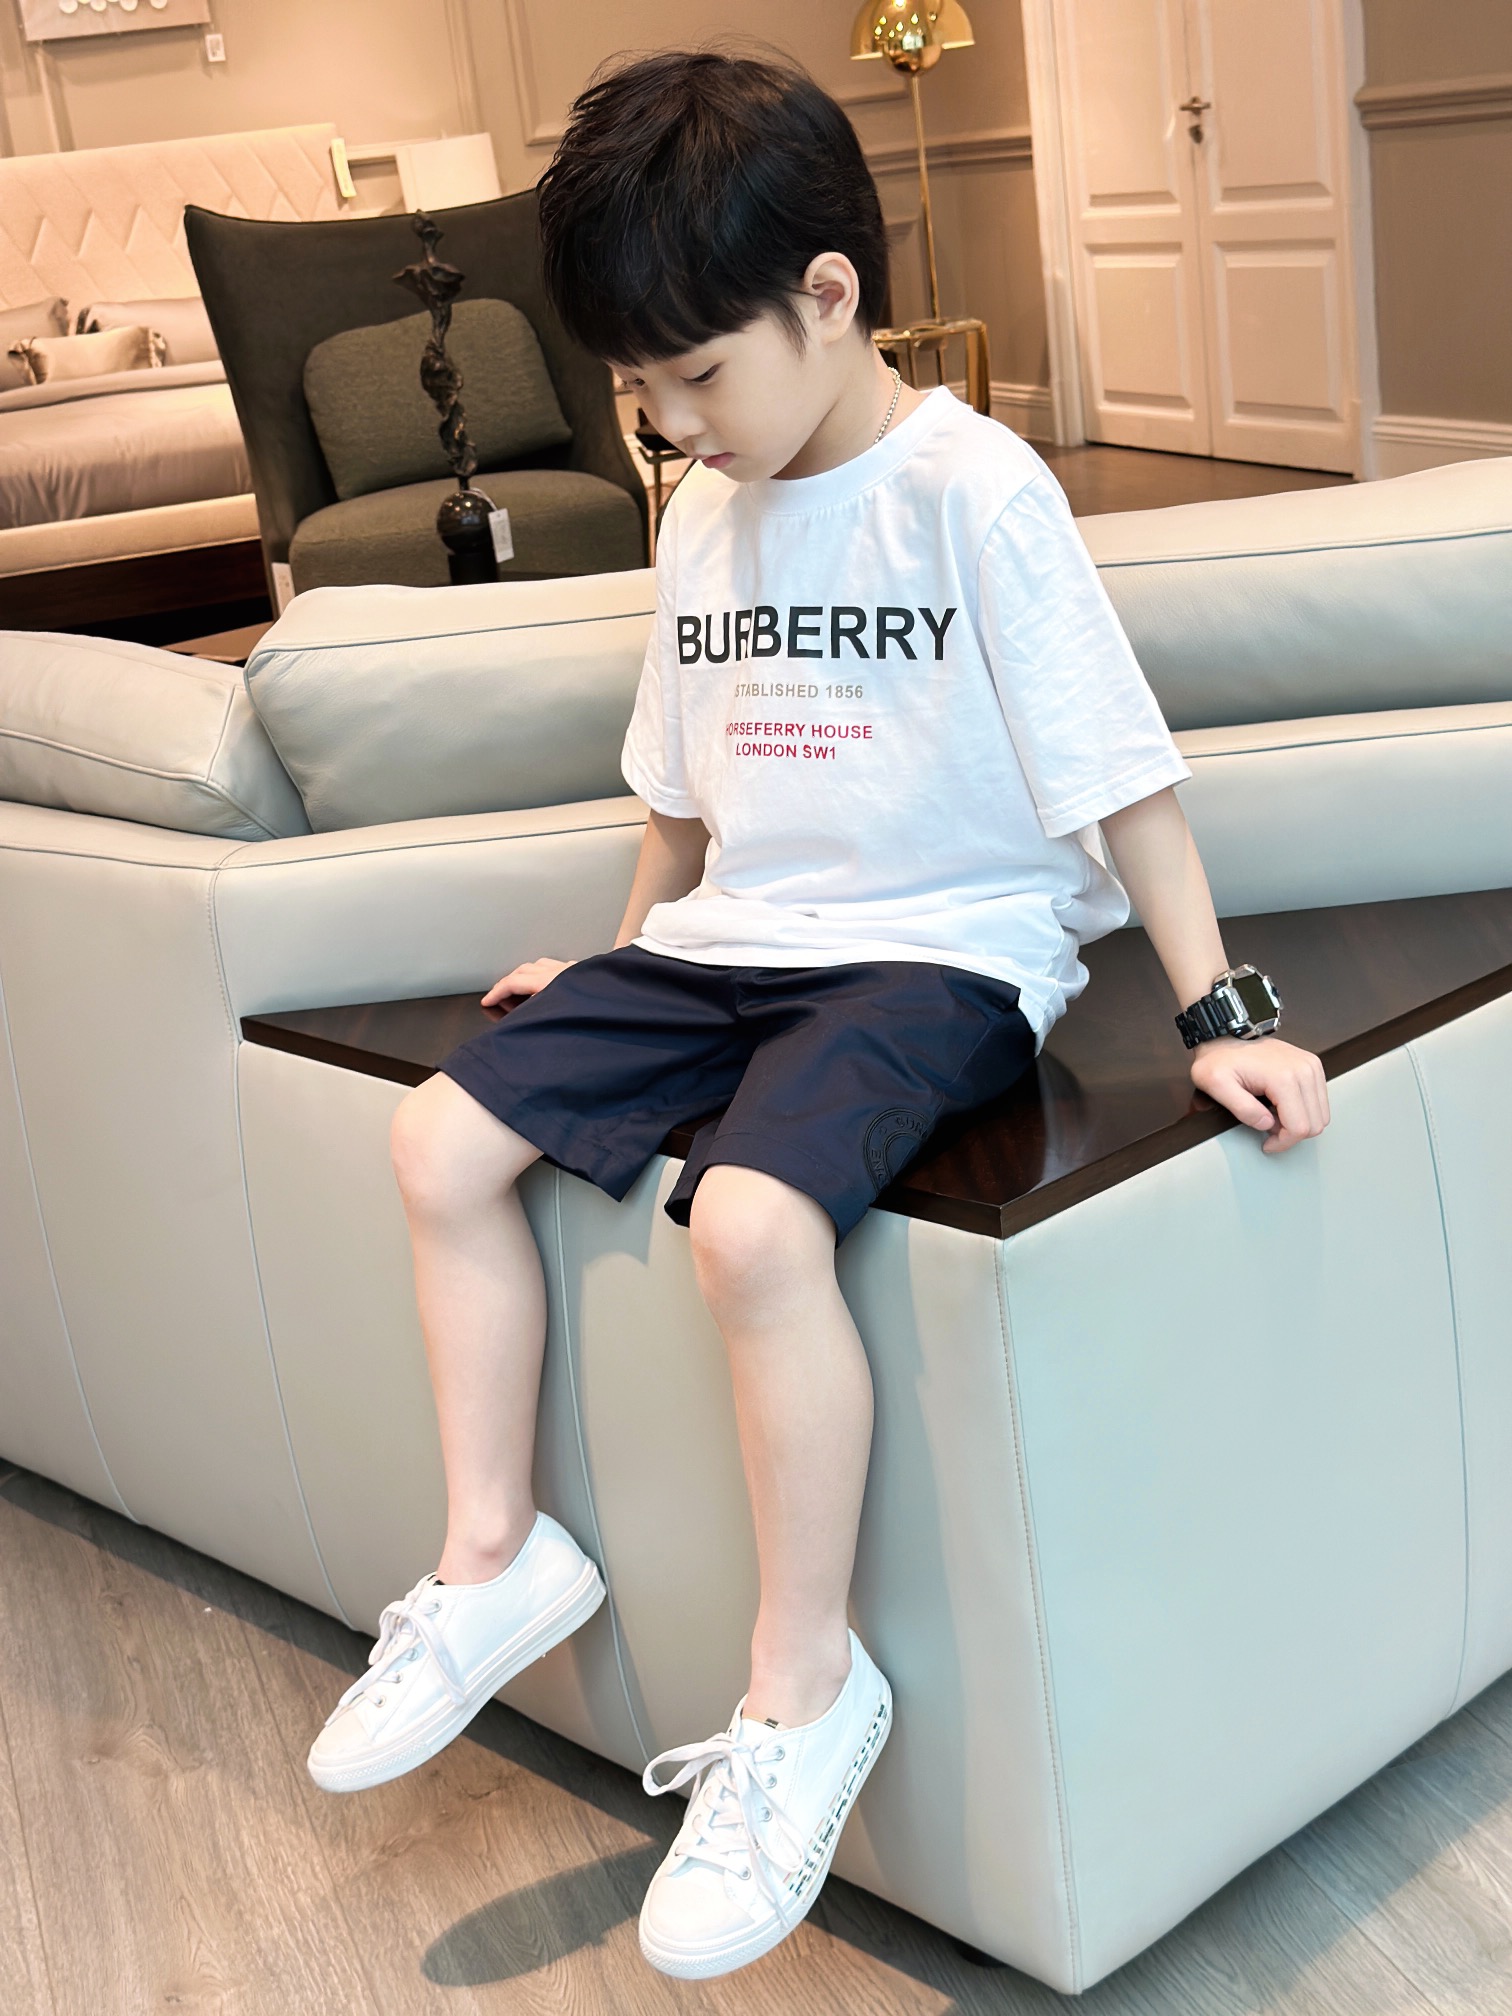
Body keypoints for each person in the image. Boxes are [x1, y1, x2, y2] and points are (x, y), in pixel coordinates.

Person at [306, 48, 1331, 1982]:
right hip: (733, 937)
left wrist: (1222, 1009)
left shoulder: (975, 489)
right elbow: (677, 799)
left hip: (941, 953)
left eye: (698, 375)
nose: (673, 426)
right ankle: (493, 1558)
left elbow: (1124, 776)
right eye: (642, 390)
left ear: (830, 296)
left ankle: (801, 1695)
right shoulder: (706, 509)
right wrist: (622, 962)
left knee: (757, 1224)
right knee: (438, 1139)